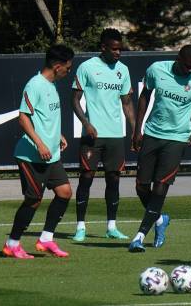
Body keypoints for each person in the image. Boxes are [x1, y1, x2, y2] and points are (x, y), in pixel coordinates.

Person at [129, 45, 191, 252]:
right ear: (178, 58)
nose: (189, 71)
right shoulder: (157, 69)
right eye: (186, 66)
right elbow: (144, 96)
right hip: (152, 133)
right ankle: (159, 219)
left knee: (160, 187)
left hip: (177, 139)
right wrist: (137, 130)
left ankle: (139, 236)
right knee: (141, 186)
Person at [2, 44, 74, 259]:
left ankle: (45, 239)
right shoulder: (34, 85)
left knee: (64, 193)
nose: (68, 72)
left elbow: (45, 118)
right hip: (31, 155)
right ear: (57, 65)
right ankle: (12, 243)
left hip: (51, 155)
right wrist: (40, 144)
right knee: (33, 200)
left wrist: (57, 136)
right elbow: (23, 117)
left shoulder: (52, 85)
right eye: (68, 68)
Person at [71, 29, 135, 242]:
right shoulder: (87, 67)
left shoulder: (123, 70)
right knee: (86, 177)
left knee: (114, 179)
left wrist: (135, 129)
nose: (118, 53)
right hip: (93, 135)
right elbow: (74, 100)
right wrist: (86, 123)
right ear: (104, 48)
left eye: (120, 49)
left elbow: (127, 103)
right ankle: (80, 226)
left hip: (115, 135)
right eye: (115, 49)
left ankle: (112, 226)